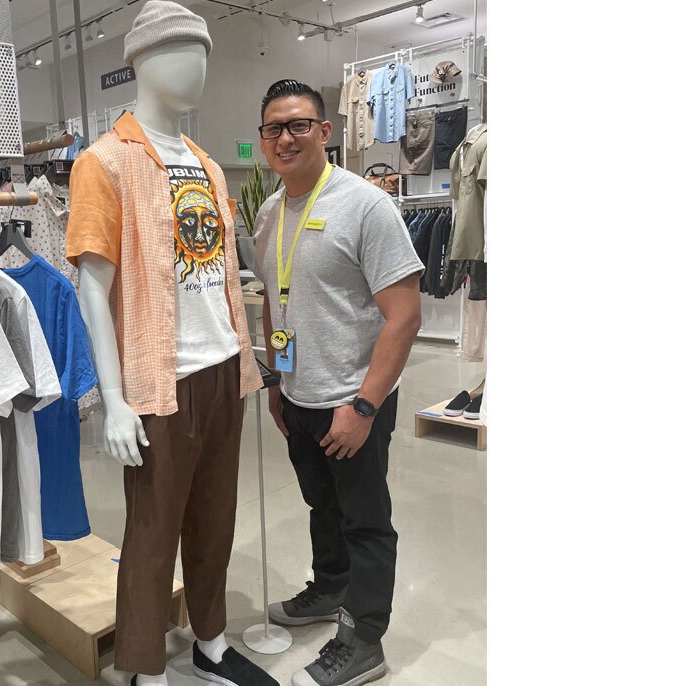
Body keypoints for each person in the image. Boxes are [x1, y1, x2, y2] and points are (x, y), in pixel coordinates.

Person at [250, 79, 425, 686]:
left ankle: (364, 642)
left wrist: (366, 404)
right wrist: (277, 383)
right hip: (298, 396)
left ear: (326, 132)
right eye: (274, 127)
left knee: (366, 521)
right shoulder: (270, 213)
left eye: (299, 125)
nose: (286, 138)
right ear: (263, 139)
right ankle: (328, 590)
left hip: (354, 401)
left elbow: (405, 313)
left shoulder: (365, 205)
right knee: (321, 506)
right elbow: (275, 304)